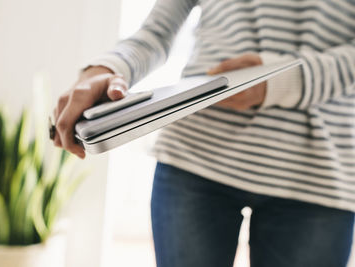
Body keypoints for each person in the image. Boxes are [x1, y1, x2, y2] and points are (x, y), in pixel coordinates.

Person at [53, 0, 355, 266]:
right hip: (195, 155)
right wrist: (105, 69)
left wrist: (281, 80)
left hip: (318, 173)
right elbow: (156, 31)